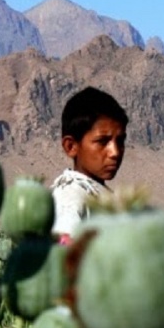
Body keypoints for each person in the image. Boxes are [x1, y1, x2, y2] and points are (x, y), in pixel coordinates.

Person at [50, 86, 129, 244]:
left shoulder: (95, 194)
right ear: (71, 146)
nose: (115, 152)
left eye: (120, 141)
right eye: (102, 141)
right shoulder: (70, 200)